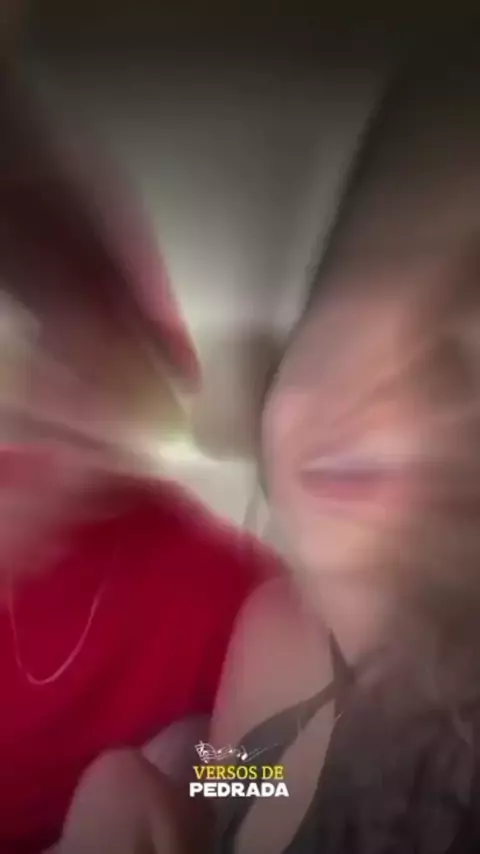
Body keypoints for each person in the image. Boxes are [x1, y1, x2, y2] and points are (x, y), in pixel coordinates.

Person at [0, 66, 275, 854]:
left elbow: (282, 773)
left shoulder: (223, 580)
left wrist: (180, 771)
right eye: (54, 352)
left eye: (105, 362)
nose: (68, 394)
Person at [211, 54, 480, 853]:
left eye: (450, 356)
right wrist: (148, 784)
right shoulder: (273, 626)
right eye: (334, 315)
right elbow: (233, 785)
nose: (357, 387)